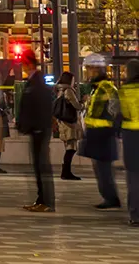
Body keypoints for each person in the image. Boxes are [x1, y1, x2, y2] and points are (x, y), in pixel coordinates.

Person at [79, 56, 122, 210]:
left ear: (96, 69)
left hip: (103, 134)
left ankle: (111, 198)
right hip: (97, 133)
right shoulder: (98, 88)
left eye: (89, 69)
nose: (88, 73)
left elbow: (115, 111)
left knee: (103, 169)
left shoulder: (106, 88)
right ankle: (109, 197)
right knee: (100, 169)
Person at [16, 51, 56, 212]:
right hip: (37, 129)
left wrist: (35, 126)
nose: (23, 67)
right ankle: (41, 200)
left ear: (30, 64)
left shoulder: (37, 83)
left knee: (42, 166)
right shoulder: (34, 82)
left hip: (39, 129)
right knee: (39, 166)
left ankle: (47, 202)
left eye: (24, 63)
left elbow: (39, 107)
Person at [53, 70, 84, 181]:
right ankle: (66, 172)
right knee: (71, 148)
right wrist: (83, 103)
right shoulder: (68, 91)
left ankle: (66, 171)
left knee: (69, 147)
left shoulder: (59, 90)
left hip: (63, 122)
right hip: (69, 123)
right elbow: (77, 105)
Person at [119, 58, 139, 225]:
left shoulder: (124, 91)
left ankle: (135, 214)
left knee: (133, 177)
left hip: (131, 138)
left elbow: (116, 115)